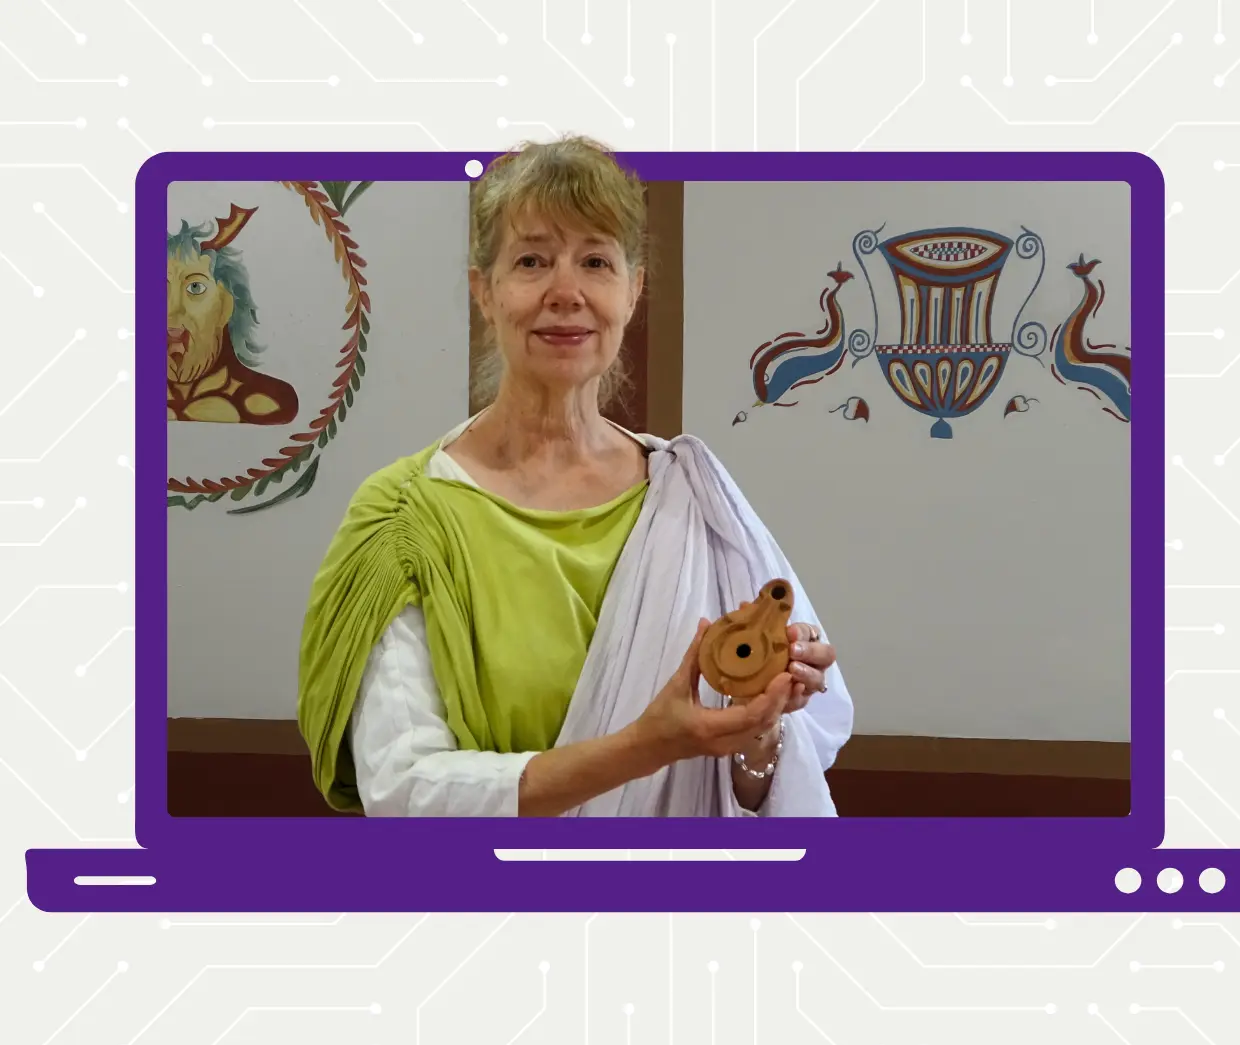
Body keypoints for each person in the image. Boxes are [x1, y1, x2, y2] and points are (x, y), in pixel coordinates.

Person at [298, 136, 853, 817]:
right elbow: (405, 787)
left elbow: (754, 788)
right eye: (531, 261)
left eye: (595, 261)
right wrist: (645, 746)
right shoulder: (403, 522)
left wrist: (760, 722)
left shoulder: (693, 499)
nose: (566, 293)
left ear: (633, 289)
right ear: (484, 291)